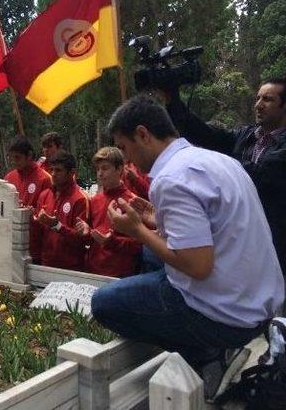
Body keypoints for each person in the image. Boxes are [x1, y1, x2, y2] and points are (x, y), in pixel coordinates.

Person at [91, 95, 284, 401]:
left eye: (125, 149)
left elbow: (197, 265)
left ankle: (207, 354)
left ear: (143, 134)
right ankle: (217, 346)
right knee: (149, 254)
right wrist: (156, 220)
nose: (127, 161)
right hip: (258, 303)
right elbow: (214, 228)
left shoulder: (171, 178)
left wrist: (137, 230)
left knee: (103, 303)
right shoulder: (218, 160)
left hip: (227, 317)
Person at [163, 77, 286, 274]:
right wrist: (173, 100)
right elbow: (206, 135)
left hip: (275, 243)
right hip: (240, 238)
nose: (259, 105)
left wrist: (217, 160)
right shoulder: (245, 136)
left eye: (268, 99)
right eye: (258, 98)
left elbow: (263, 175)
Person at [76, 147, 142, 277]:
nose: (100, 173)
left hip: (120, 275)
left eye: (105, 168)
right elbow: (92, 238)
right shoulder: (94, 200)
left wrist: (112, 242)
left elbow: (140, 245)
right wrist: (86, 231)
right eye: (98, 169)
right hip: (93, 270)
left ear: (119, 169)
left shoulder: (133, 202)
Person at [33, 150, 90, 270]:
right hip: (46, 264)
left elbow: (82, 241)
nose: (53, 174)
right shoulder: (44, 195)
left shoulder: (80, 199)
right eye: (51, 170)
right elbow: (39, 231)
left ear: (71, 172)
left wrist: (57, 226)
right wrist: (30, 219)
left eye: (58, 170)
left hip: (71, 268)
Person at [4, 136, 52, 264]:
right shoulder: (9, 177)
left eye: (17, 157)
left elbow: (50, 213)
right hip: (13, 243)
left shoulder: (45, 179)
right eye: (11, 157)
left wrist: (33, 214)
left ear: (29, 155)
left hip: (35, 246)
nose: (14, 161)